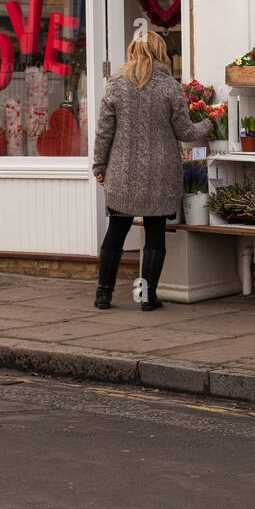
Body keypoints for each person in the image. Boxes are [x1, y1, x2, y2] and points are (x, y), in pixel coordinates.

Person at [91, 31, 213, 310]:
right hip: (160, 172)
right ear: (161, 52)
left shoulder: (116, 84)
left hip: (122, 172)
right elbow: (184, 131)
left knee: (116, 233)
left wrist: (99, 166)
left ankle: (103, 295)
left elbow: (103, 133)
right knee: (155, 233)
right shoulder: (170, 86)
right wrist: (208, 122)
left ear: (132, 50)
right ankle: (147, 298)